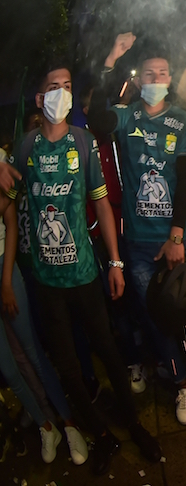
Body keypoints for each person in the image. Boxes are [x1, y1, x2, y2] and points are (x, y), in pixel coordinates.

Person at [1, 65, 161, 475]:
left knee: (108, 350)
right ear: (40, 99)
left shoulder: (84, 142)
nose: (61, 94)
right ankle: (99, 434)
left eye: (67, 87)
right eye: (53, 87)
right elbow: (10, 205)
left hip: (86, 275)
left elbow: (102, 204)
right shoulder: (24, 147)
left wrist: (116, 262)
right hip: (45, 281)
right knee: (69, 366)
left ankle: (134, 425)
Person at [87, 33, 186, 425]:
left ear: (170, 78)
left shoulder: (184, 120)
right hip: (137, 242)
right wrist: (111, 59)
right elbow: (97, 119)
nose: (156, 77)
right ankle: (181, 382)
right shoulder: (126, 114)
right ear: (140, 79)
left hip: (177, 235)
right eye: (149, 72)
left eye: (163, 72)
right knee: (157, 315)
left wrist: (176, 235)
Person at [0, 144, 89, 466]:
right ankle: (45, 424)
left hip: (3, 265)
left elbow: (9, 220)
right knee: (10, 367)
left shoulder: (0, 160)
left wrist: (7, 281)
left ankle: (69, 424)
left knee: (32, 352)